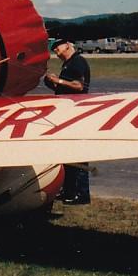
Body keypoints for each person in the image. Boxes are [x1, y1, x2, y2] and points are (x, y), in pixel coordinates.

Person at [44, 38, 91, 204]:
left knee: (78, 154)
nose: (56, 51)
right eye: (54, 49)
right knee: (66, 153)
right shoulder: (68, 64)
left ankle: (82, 193)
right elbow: (63, 88)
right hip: (66, 111)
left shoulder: (77, 62)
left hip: (75, 111)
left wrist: (59, 81)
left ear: (67, 46)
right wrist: (52, 83)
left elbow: (79, 86)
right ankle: (68, 190)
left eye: (58, 48)